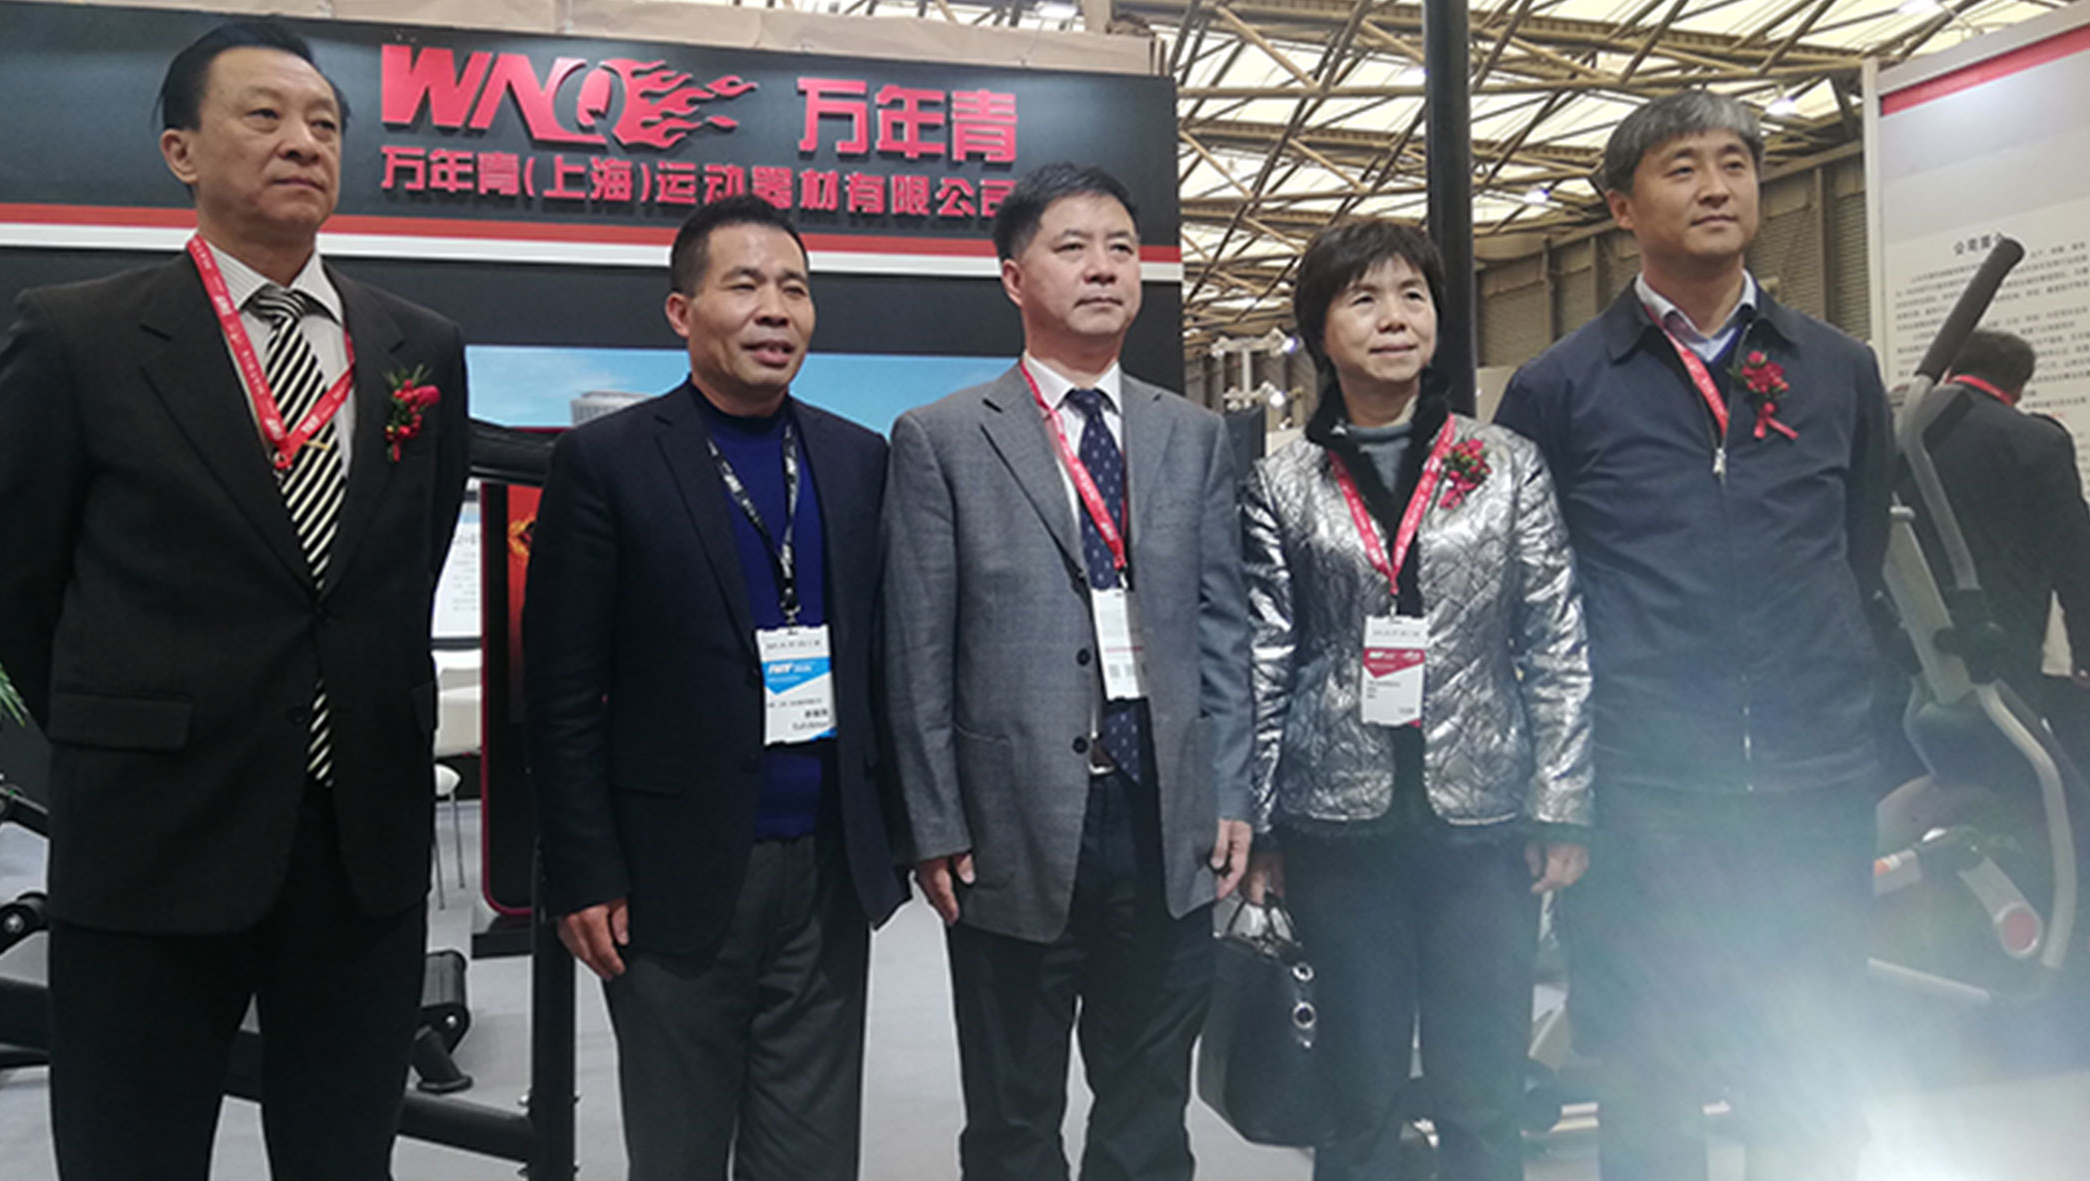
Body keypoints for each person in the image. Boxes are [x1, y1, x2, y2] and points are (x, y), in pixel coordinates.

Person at [0, 21, 469, 1179]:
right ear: (181, 150)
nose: (303, 142)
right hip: (157, 829)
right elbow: (12, 574)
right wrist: (131, 721)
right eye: (265, 115)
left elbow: (403, 559)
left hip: (359, 836)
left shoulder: (418, 346)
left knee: (345, 1153)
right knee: (132, 1150)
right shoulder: (80, 334)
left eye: (325, 123)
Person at [1494, 90, 1893, 1180]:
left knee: (1808, 1058)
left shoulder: (1835, 368)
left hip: (1811, 774)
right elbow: (1528, 597)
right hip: (1643, 790)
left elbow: (1855, 551)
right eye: (1681, 167)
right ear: (1621, 206)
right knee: (1647, 1066)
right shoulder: (1560, 386)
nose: (1716, 187)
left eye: (1734, 163)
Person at [524, 194, 906, 1180]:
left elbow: (884, 661)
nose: (775, 309)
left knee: (813, 1157)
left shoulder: (856, 459)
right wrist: (583, 868)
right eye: (745, 285)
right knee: (678, 1151)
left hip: (825, 868)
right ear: (681, 311)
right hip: (671, 874)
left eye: (795, 289)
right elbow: (559, 689)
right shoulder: (606, 462)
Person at [883, 162, 1253, 1180]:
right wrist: (934, 821)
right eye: (1073, 247)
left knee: (1149, 1108)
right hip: (1014, 822)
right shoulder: (944, 438)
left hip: (1166, 815)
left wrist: (1230, 787)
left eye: (1121, 249)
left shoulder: (1191, 435)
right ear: (1014, 277)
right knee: (1013, 1117)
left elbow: (1222, 626)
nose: (1103, 268)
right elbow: (917, 648)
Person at [1241, 220, 1592, 1181]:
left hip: (1483, 823)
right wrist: (1259, 824)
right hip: (1334, 826)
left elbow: (1555, 638)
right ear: (1320, 330)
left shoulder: (1505, 464)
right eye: (1363, 299)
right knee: (1355, 1100)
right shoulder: (1282, 481)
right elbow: (1265, 655)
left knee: (1482, 1091)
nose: (1393, 318)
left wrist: (1561, 803)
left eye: (1412, 296)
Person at [1900, 329, 2090, 710]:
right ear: (2018, 387)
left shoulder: (1899, 429)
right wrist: (2084, 650)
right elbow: (2075, 555)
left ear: (1950, 371)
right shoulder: (2036, 440)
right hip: (2001, 635)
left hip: (1906, 628)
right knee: (2004, 739)